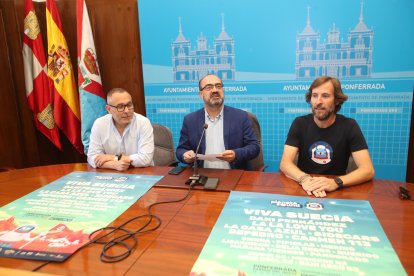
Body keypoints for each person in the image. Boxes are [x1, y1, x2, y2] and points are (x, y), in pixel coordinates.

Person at [280, 76, 374, 197]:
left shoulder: (349, 125)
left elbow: (368, 170)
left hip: (336, 190)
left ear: (337, 100)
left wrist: (336, 182)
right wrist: (304, 179)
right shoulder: (299, 123)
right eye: (314, 95)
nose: (318, 101)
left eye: (325, 96)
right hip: (304, 188)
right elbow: (285, 163)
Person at [176, 74, 260, 170]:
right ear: (201, 94)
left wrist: (236, 154)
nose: (215, 90)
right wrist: (185, 155)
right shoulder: (190, 120)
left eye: (218, 86)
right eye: (209, 87)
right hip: (202, 175)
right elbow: (180, 150)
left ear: (223, 90)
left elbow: (254, 147)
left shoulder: (241, 116)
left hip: (234, 175)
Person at [87, 88, 154, 171]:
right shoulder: (99, 124)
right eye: (120, 107)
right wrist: (114, 165)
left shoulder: (143, 122)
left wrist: (113, 157)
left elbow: (145, 158)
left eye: (129, 105)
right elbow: (92, 157)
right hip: (111, 174)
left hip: (142, 173)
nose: (126, 111)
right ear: (109, 109)